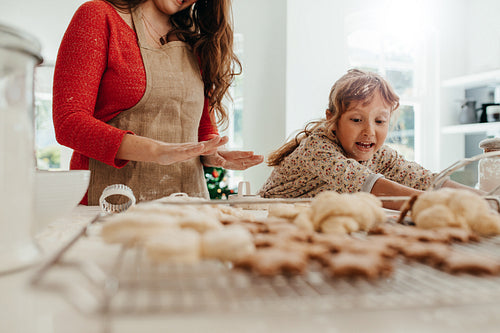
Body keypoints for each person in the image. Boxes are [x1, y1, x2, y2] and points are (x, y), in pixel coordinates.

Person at [53, 0, 263, 205]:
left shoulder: (195, 41)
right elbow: (69, 122)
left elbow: (203, 127)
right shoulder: (98, 16)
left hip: (188, 205)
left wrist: (211, 153)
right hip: (111, 203)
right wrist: (157, 151)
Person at [259, 69, 476, 210]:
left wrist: (485, 200)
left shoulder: (381, 155)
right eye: (356, 119)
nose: (369, 131)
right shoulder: (317, 148)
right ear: (332, 120)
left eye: (380, 121)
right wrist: (442, 206)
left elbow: (427, 181)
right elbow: (368, 185)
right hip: (265, 220)